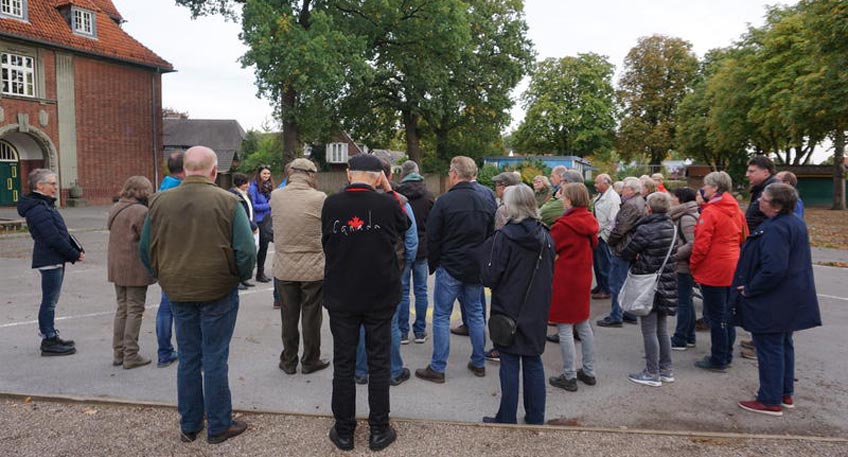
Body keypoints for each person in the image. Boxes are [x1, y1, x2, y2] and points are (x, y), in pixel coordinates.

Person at [140, 146, 255, 444]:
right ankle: (218, 424)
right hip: (218, 287)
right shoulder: (228, 202)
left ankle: (190, 424)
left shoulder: (159, 202)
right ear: (214, 171)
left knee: (189, 356)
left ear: (184, 169)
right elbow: (246, 252)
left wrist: (162, 273)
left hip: (178, 287)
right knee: (215, 356)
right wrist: (237, 276)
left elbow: (145, 249)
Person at [321, 154, 410, 452]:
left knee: (344, 364)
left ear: (348, 174)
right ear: (378, 177)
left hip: (342, 294)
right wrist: (387, 189)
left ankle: (344, 431)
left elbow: (326, 241)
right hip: (379, 296)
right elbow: (406, 224)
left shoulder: (331, 204)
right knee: (379, 362)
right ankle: (378, 429)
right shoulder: (387, 203)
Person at [733, 183, 821, 416]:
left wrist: (750, 289)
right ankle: (784, 392)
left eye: (764, 198)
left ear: (777, 205)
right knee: (783, 344)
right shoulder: (794, 223)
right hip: (788, 298)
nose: (759, 200)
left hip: (773, 299)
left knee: (770, 346)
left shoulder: (776, 228)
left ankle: (770, 399)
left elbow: (774, 268)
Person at [479, 185, 554, 424]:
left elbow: (491, 276)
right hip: (537, 305)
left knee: (509, 362)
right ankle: (536, 416)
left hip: (508, 305)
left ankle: (507, 416)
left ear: (511, 206)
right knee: (533, 360)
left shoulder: (505, 237)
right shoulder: (546, 235)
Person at [417, 156, 494, 383]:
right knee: (476, 314)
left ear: (454, 174)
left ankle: (438, 367)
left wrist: (436, 262)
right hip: (475, 266)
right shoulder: (486, 200)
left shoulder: (445, 201)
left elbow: (433, 236)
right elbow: (491, 236)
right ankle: (479, 362)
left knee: (441, 315)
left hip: (450, 265)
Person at [353, 158, 418, 385]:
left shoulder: (353, 201)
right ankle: (393, 370)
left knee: (361, 320)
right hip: (391, 269)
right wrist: (405, 265)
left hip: (360, 270)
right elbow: (411, 238)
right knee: (389, 322)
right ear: (387, 176)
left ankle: (361, 370)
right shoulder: (400, 202)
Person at [270, 159, 329, 375]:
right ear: (311, 175)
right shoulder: (319, 198)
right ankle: (310, 360)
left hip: (285, 266)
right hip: (313, 266)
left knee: (289, 316)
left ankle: (288, 360)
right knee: (311, 317)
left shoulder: (276, 196)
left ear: (291, 172)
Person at [17, 168, 84, 356]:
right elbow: (52, 237)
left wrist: (76, 249)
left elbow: (62, 231)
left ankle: (51, 335)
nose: (56, 187)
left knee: (51, 301)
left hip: (55, 258)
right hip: (49, 259)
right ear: (40, 185)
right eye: (52, 184)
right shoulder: (38, 208)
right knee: (49, 302)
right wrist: (72, 254)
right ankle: (48, 340)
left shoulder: (45, 205)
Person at [690, 171, 748, 373]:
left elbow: (701, 245)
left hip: (714, 267)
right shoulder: (736, 210)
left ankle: (718, 358)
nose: (703, 189)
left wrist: (693, 265)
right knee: (726, 314)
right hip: (732, 265)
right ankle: (726, 354)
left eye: (706, 185)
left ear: (714, 188)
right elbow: (743, 237)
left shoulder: (711, 212)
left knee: (716, 316)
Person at [620, 192, 678, 387]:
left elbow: (627, 252)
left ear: (650, 208)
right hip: (667, 282)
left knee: (649, 330)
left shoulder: (646, 229)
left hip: (648, 283)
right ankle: (666, 369)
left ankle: (652, 372)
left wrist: (638, 257)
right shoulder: (672, 227)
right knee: (662, 329)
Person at [548, 183, 598, 392]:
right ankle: (588, 371)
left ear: (569, 199)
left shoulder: (563, 225)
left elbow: (550, 248)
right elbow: (594, 244)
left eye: (563, 195)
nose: (561, 198)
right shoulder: (590, 221)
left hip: (565, 278)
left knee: (564, 327)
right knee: (583, 325)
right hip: (583, 276)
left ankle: (569, 375)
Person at [107, 176, 156, 369]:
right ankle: (131, 354)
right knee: (135, 309)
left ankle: (119, 352)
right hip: (134, 266)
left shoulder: (116, 207)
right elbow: (148, 241)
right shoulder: (141, 211)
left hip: (117, 265)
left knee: (122, 308)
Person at [451, 163, 497, 337]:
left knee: (464, 295)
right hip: (481, 249)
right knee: (476, 296)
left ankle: (469, 324)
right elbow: (492, 218)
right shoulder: (487, 192)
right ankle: (477, 325)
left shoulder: (457, 194)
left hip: (460, 251)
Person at [394, 160, 434, 344]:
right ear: (417, 172)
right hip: (423, 248)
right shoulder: (428, 196)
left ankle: (402, 332)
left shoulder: (398, 195)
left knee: (402, 291)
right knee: (421, 290)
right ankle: (420, 331)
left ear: (402, 173)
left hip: (401, 247)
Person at [598, 177, 645, 327]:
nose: (622, 190)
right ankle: (628, 313)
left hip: (623, 247)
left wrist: (610, 241)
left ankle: (616, 316)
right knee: (626, 282)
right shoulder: (639, 202)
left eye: (625, 187)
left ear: (631, 190)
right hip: (631, 246)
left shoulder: (630, 205)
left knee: (617, 282)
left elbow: (620, 228)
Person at [155, 151, 184, 368]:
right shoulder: (181, 192)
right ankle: (187, 351)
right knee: (182, 308)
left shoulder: (160, 190)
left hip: (163, 256)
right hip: (181, 256)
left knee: (166, 306)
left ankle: (164, 351)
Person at [668, 187, 700, 351]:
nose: (671, 199)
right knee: (686, 301)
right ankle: (689, 336)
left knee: (683, 303)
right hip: (683, 264)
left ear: (680, 199)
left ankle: (681, 338)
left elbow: (692, 243)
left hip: (683, 266)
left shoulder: (686, 217)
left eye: (673, 196)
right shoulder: (687, 214)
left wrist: (674, 256)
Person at [591, 173, 620, 300]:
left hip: (603, 235)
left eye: (597, 183)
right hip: (598, 234)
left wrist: (604, 234)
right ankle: (601, 285)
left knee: (604, 264)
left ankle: (606, 289)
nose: (595, 185)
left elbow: (613, 220)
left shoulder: (612, 197)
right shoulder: (602, 195)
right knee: (598, 263)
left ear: (605, 183)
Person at [229, 172, 257, 290]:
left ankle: (244, 279)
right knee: (240, 253)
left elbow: (251, 210)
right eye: (245, 183)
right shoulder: (233, 195)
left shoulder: (247, 194)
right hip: (243, 227)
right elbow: (242, 215)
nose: (248, 185)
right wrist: (251, 225)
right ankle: (238, 279)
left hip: (251, 225)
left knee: (253, 250)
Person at [249, 165, 274, 283]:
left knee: (266, 246)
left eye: (268, 174)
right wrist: (268, 205)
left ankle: (261, 272)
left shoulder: (269, 186)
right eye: (264, 173)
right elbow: (253, 205)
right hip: (259, 220)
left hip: (269, 219)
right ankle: (259, 273)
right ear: (259, 174)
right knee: (262, 247)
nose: (266, 176)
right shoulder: (253, 187)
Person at [745, 155, 778, 233]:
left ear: (765, 172)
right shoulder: (761, 188)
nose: (747, 175)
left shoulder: (773, 191)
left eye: (751, 171)